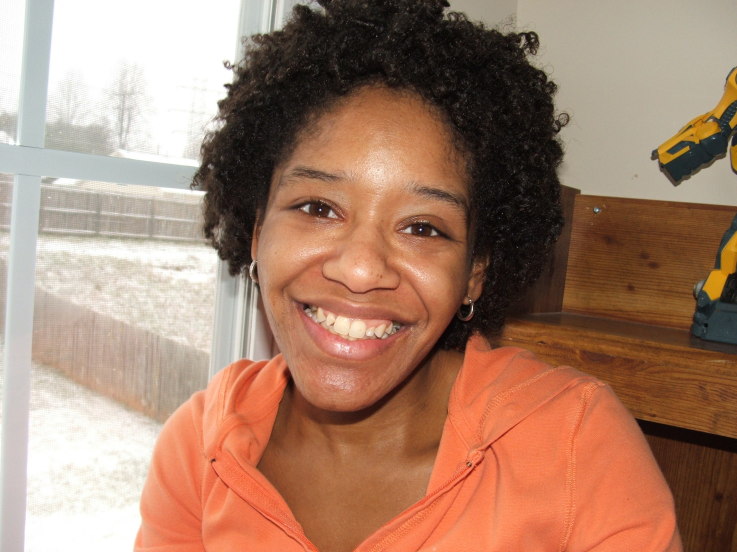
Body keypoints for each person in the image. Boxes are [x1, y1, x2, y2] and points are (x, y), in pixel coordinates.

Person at [135, 1, 682, 550]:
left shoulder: (576, 446)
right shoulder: (199, 450)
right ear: (257, 233)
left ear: (474, 272)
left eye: (422, 228)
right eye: (318, 208)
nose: (360, 269)